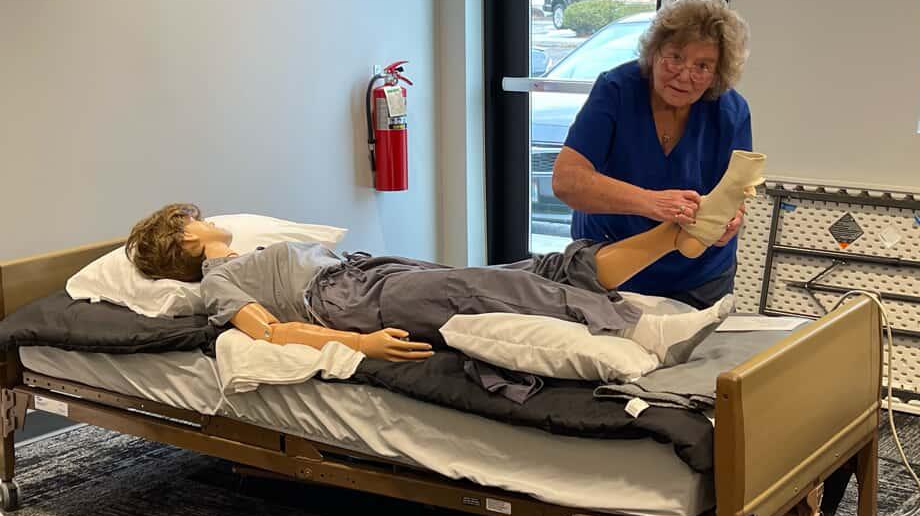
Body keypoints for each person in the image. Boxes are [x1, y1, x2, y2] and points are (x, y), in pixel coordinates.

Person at [123, 191, 759, 366]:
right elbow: (266, 332)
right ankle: (644, 331)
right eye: (190, 218)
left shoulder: (247, 252)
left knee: (533, 269)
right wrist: (358, 346)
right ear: (182, 237)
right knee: (472, 290)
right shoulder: (216, 282)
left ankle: (680, 234)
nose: (201, 217)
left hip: (371, 272)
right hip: (343, 302)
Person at [552, 0, 755, 308]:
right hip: (611, 268)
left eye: (702, 66)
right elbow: (566, 181)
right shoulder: (617, 90)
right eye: (675, 57)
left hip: (699, 278)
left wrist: (731, 220)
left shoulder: (730, 112)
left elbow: (733, 192)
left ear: (717, 73)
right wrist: (652, 203)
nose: (685, 75)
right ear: (654, 51)